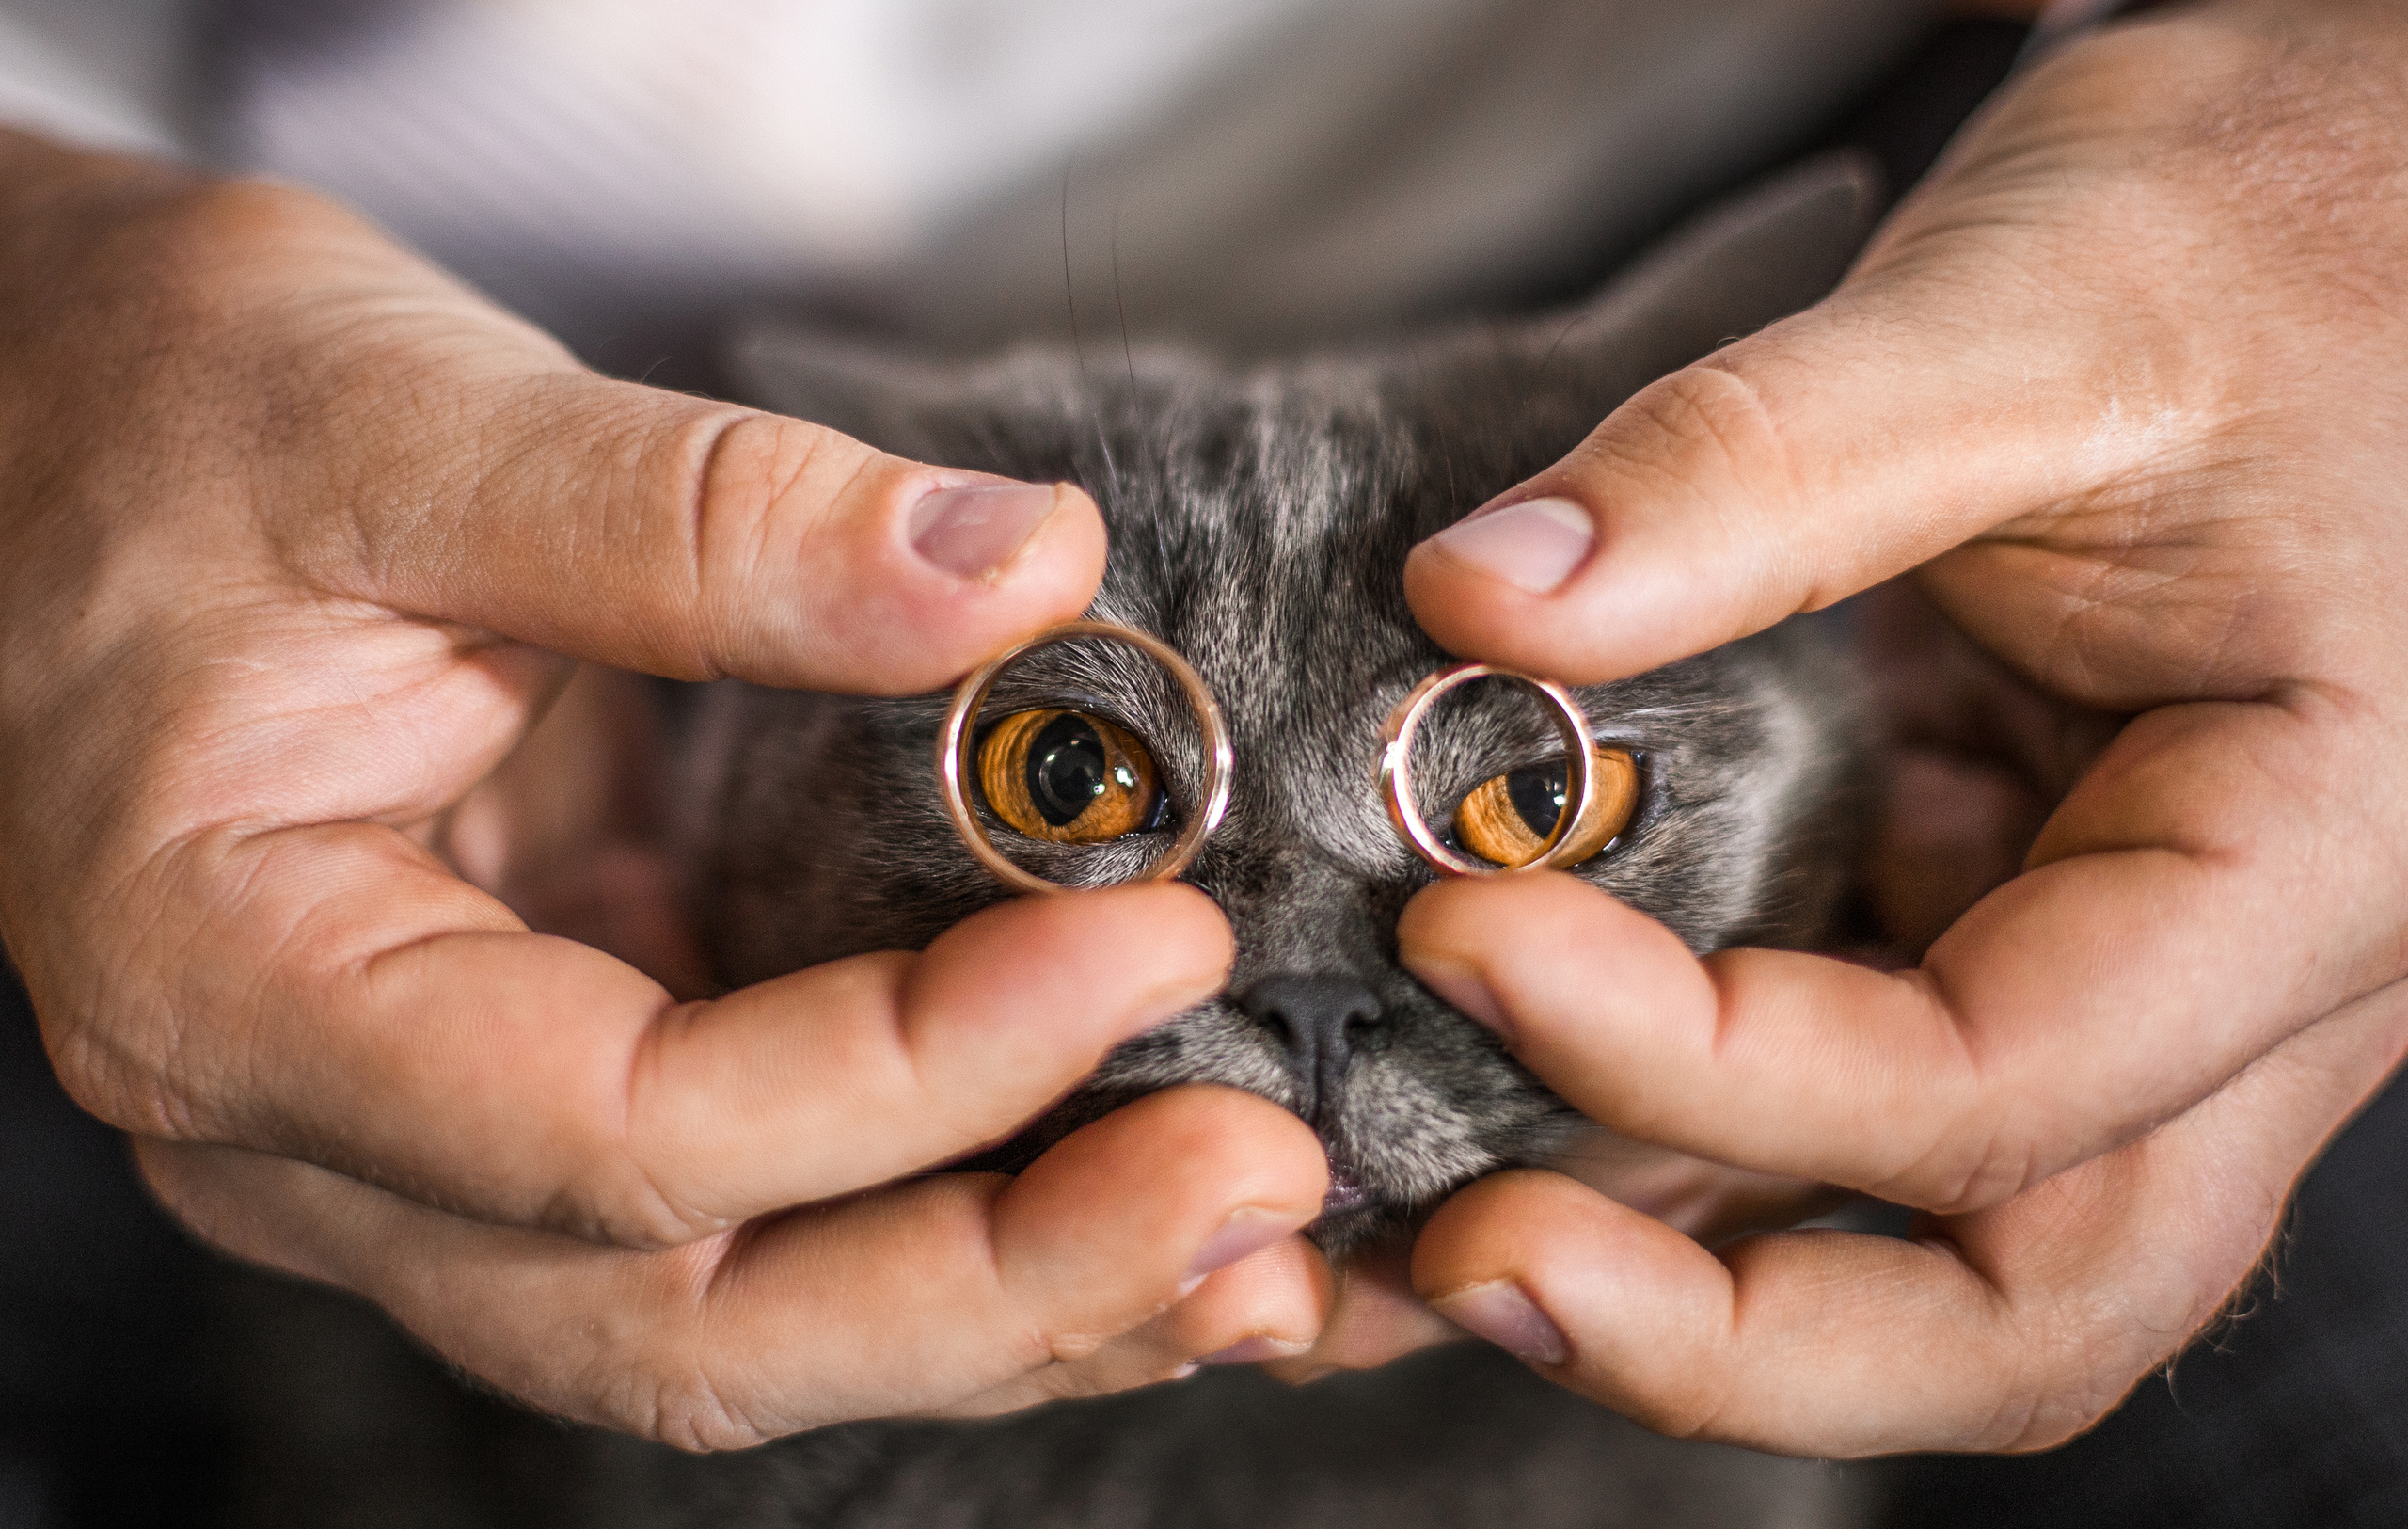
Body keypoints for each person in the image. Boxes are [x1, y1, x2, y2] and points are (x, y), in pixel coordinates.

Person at [0, 0, 2401, 1514]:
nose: (1299, 978)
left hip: (1910, 257)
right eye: (1063, 792)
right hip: (271, 512)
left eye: (1514, 794)